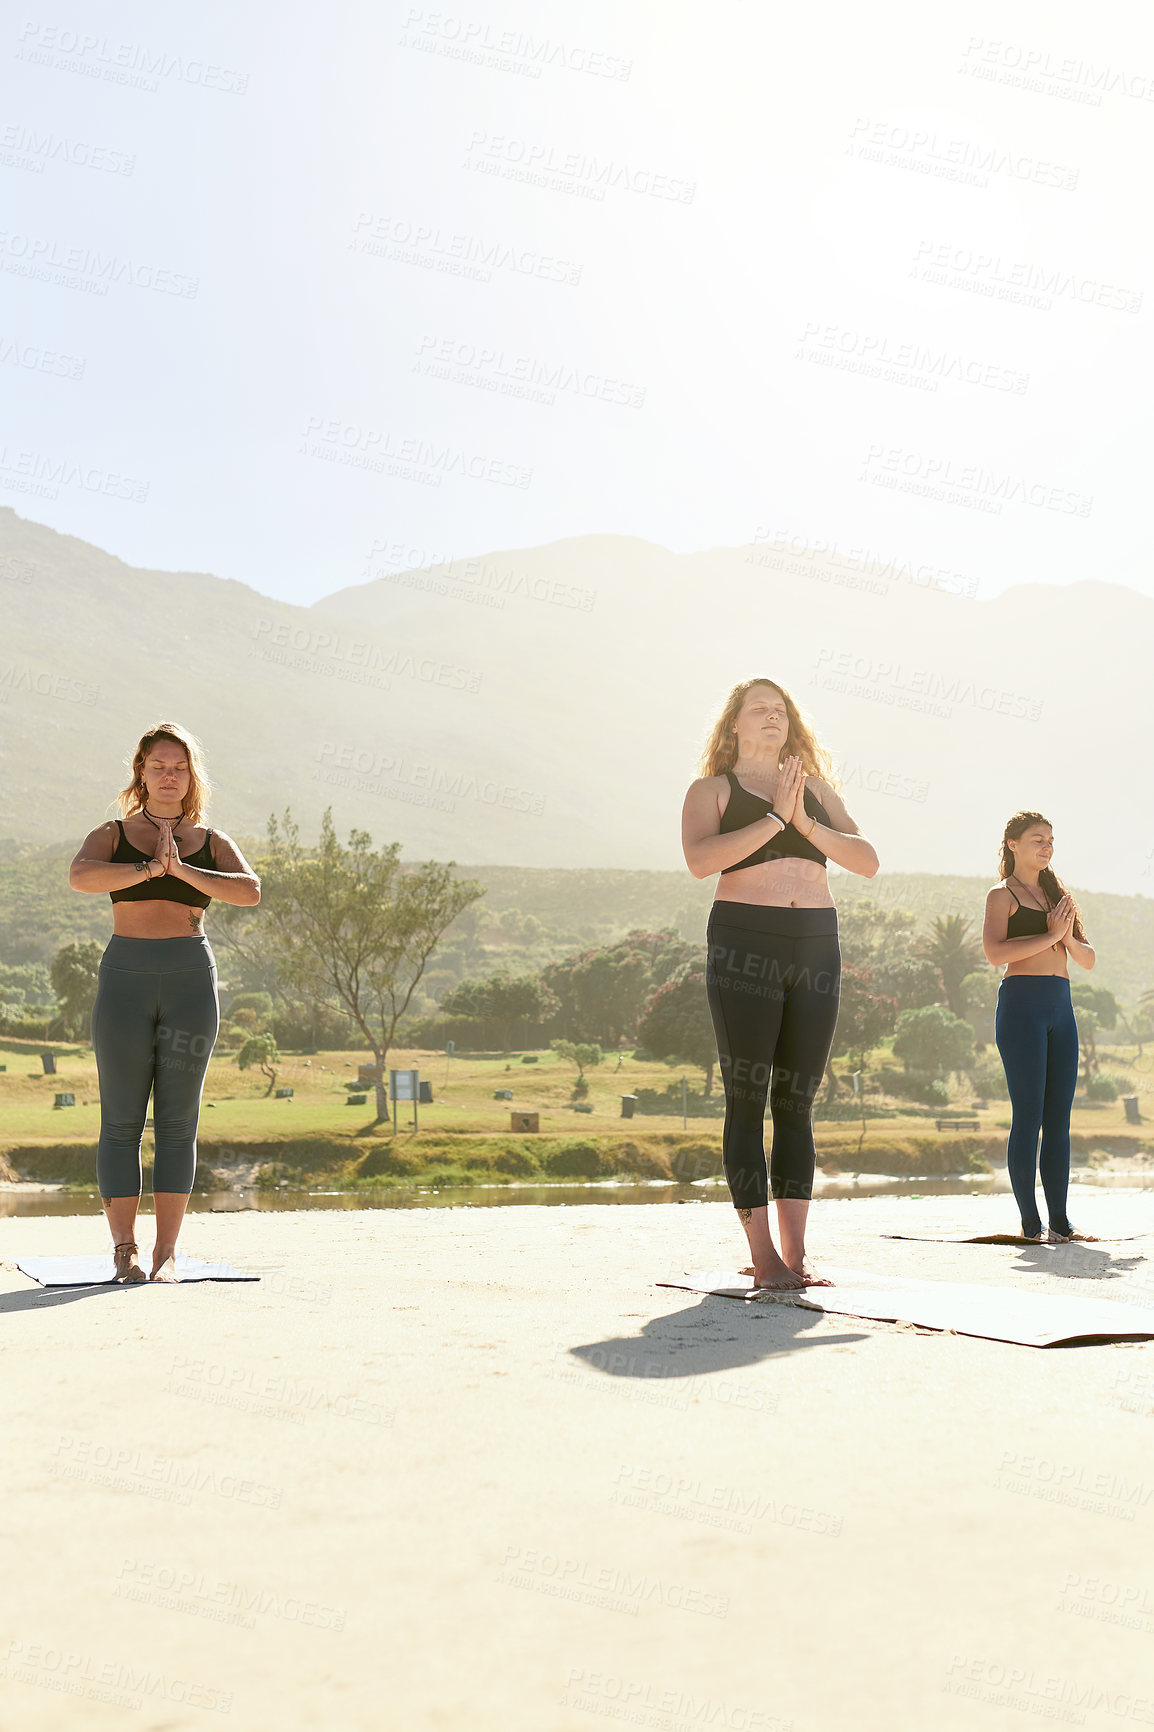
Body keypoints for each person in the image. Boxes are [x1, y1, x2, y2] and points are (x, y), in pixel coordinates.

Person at [681, 679, 879, 1290]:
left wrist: (804, 822)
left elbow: (867, 860)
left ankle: (796, 1257)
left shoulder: (816, 791)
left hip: (816, 941)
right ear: (733, 725)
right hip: (746, 939)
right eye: (758, 710)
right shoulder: (712, 790)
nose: (773, 717)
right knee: (748, 1096)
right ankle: (763, 1257)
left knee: (797, 1101)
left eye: (780, 710)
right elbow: (699, 861)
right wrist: (773, 820)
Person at [69, 723, 261, 1282]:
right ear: (141, 772)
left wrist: (181, 870)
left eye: (179, 767)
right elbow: (80, 876)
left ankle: (166, 1253)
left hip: (189, 981)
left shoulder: (211, 841)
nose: (169, 776)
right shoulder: (112, 834)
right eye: (159, 766)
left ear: (191, 775)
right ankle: (125, 1249)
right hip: (125, 978)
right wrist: (148, 869)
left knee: (178, 1122)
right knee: (121, 1121)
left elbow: (249, 891)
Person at [982, 811, 1097, 1244]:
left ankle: (1062, 1223)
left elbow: (1087, 960)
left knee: (1059, 1120)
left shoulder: (1058, 897)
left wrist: (1064, 936)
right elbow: (995, 953)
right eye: (1037, 840)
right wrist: (1051, 936)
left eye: (1050, 840)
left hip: (1061, 1009)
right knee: (1028, 1117)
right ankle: (1031, 1224)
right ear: (1012, 844)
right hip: (1022, 1006)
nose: (1047, 847)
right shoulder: (1002, 895)